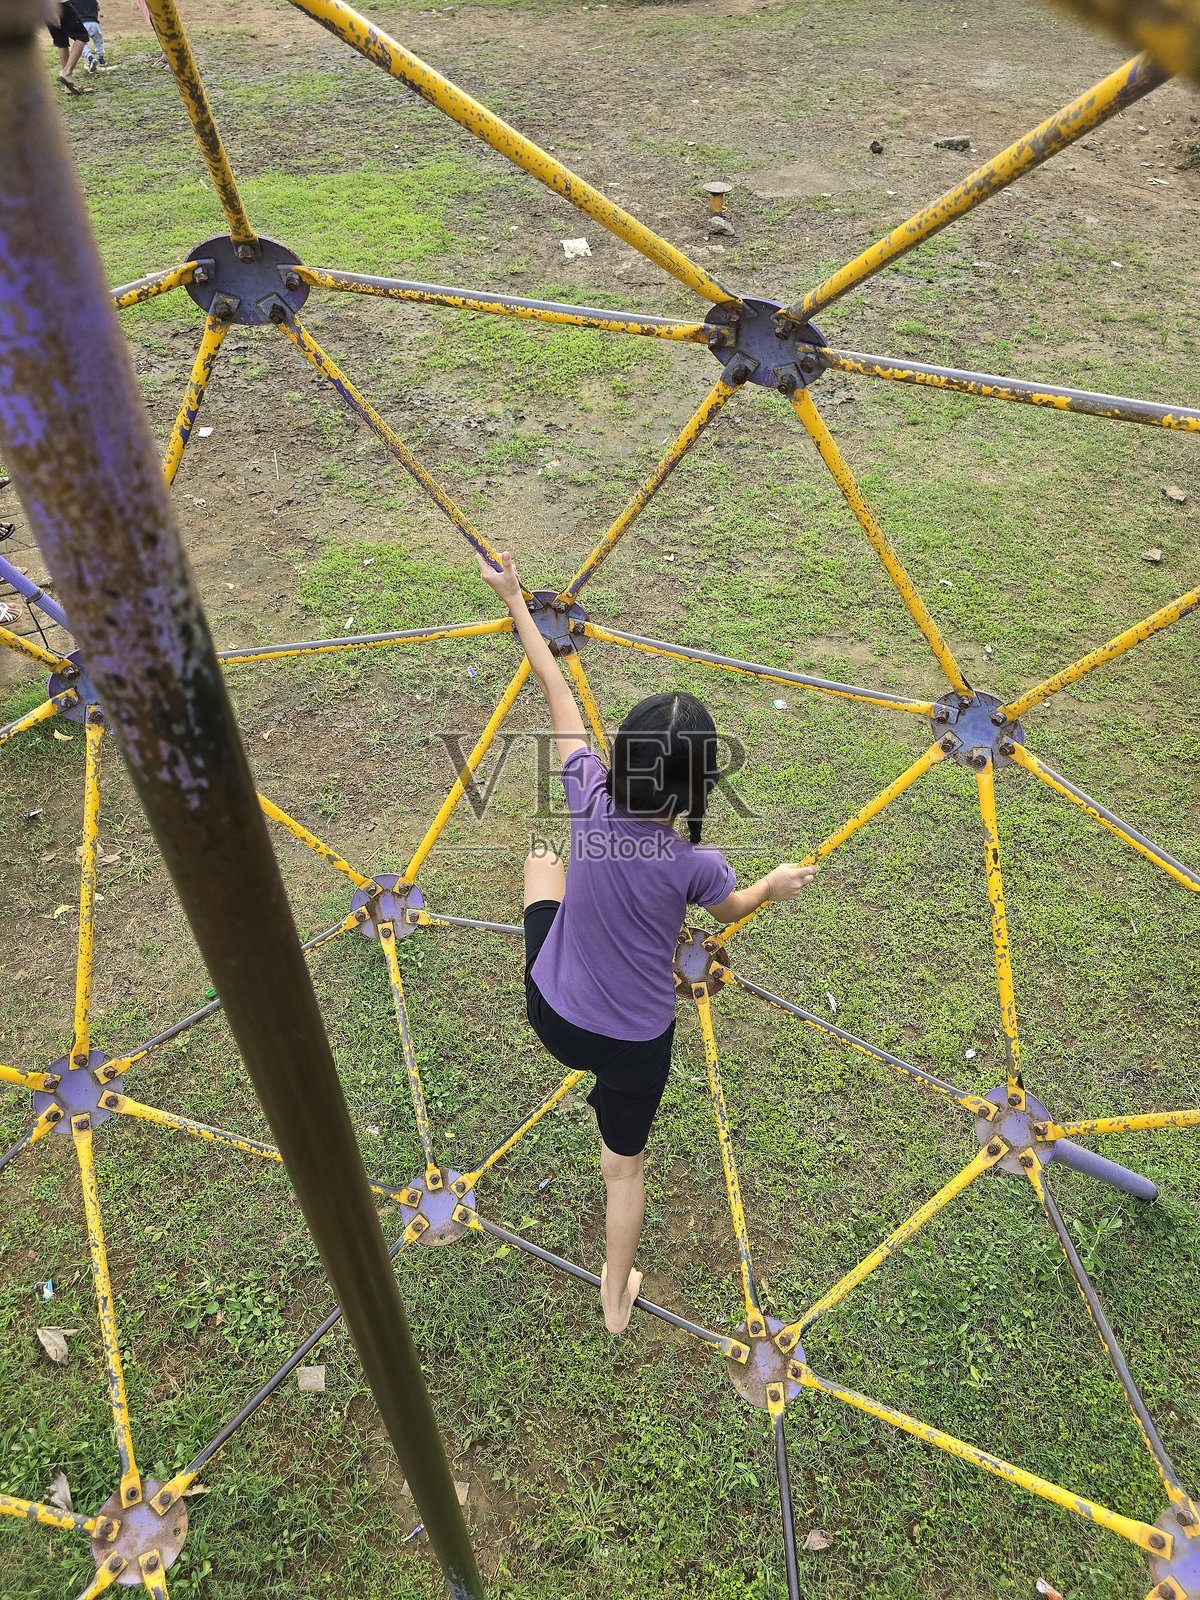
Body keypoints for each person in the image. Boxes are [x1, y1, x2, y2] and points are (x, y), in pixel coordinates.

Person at [477, 550, 818, 1333]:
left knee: (542, 869)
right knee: (624, 1171)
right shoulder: (697, 865)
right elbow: (730, 910)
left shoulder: (588, 794)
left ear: (621, 757)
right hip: (633, 1045)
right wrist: (771, 886)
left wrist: (514, 601)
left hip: (552, 1015)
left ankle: (538, 880)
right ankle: (613, 1298)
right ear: (697, 790)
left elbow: (555, 690)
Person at [47, 1, 92, 94]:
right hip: (59, 5)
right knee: (82, 36)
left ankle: (68, 85)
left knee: (61, 42)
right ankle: (66, 72)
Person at [76, 0, 110, 72]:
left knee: (82, 44)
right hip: (94, 23)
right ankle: (101, 59)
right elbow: (98, 8)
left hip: (82, 24)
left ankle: (90, 59)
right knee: (98, 41)